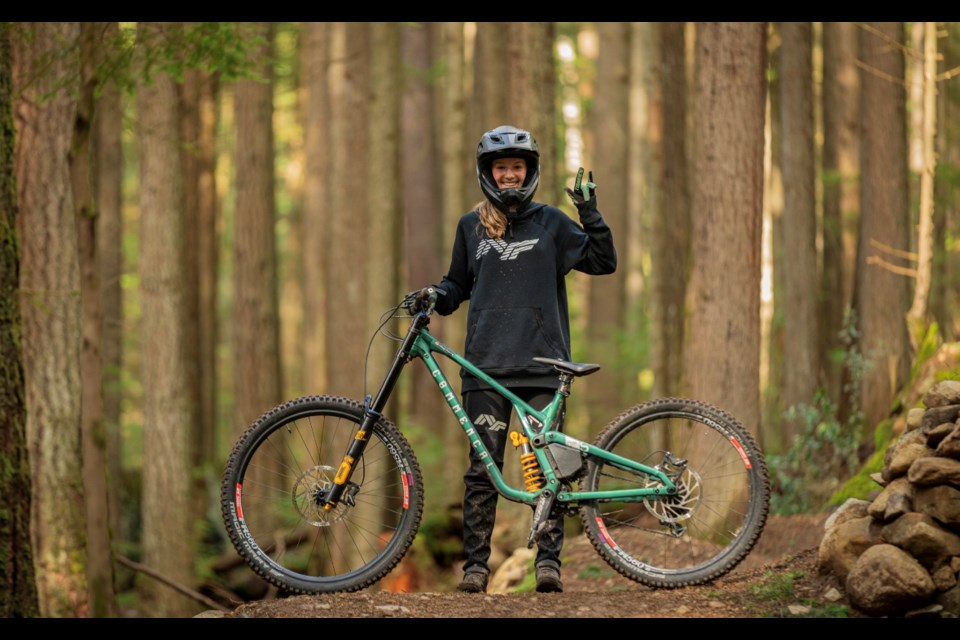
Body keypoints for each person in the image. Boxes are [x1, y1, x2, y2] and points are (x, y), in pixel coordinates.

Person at [422, 124, 617, 594]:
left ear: (529, 171)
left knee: (549, 469)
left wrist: (589, 214)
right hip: (484, 367)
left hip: (543, 366)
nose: (509, 176)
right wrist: (433, 295)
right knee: (481, 470)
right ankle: (474, 569)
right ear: (488, 172)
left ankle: (548, 564)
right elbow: (457, 286)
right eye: (501, 168)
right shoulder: (471, 227)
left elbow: (602, 261)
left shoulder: (551, 222)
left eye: (517, 167)